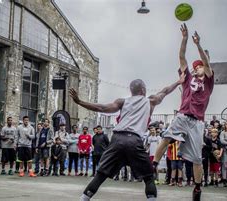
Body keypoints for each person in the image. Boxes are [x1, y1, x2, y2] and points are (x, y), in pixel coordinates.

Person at [70, 70, 184, 200]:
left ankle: (84, 198)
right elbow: (165, 91)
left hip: (117, 139)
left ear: (131, 91)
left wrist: (80, 102)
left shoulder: (122, 102)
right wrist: (179, 82)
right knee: (148, 176)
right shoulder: (150, 100)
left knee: (101, 174)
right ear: (143, 90)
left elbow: (101, 108)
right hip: (133, 140)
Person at [153, 23, 214, 201]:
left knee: (196, 158)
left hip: (197, 122)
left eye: (200, 66)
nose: (197, 68)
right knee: (166, 137)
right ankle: (154, 166)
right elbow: (181, 56)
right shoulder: (188, 78)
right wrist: (185, 39)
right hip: (182, 115)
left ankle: (197, 187)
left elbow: (208, 64)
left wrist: (198, 45)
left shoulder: (209, 81)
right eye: (196, 66)